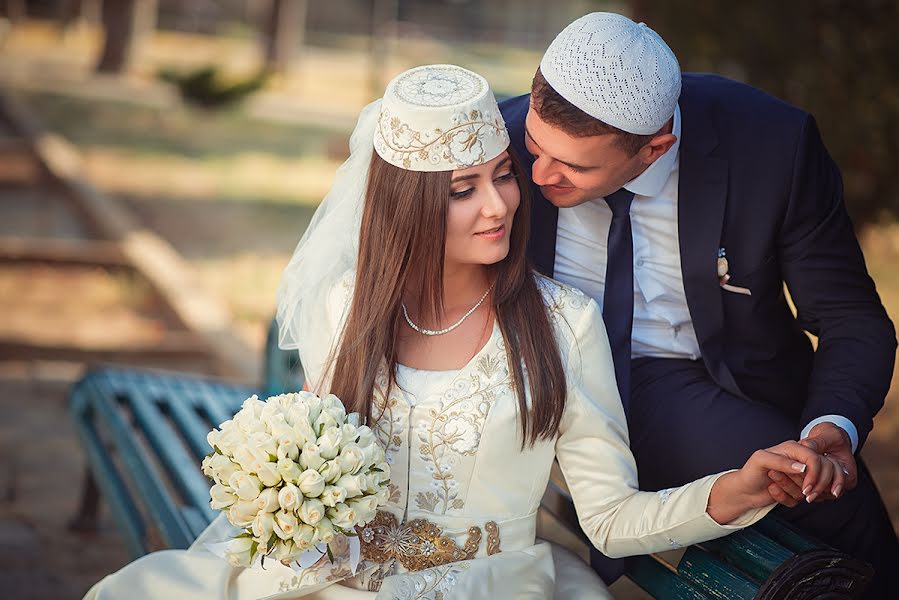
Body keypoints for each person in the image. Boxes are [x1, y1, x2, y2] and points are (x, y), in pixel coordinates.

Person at [83, 65, 835, 600]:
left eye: (502, 174)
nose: (499, 205)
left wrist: (732, 492)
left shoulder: (561, 326)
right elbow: (311, 452)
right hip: (332, 578)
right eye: (461, 190)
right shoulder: (349, 308)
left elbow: (608, 519)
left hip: (493, 581)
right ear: (406, 205)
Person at [498, 12, 899, 596]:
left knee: (827, 488)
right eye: (535, 145)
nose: (538, 174)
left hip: (699, 375)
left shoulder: (771, 147)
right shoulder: (497, 139)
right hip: (548, 371)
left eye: (575, 166)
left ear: (655, 147)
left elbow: (851, 319)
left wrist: (830, 426)